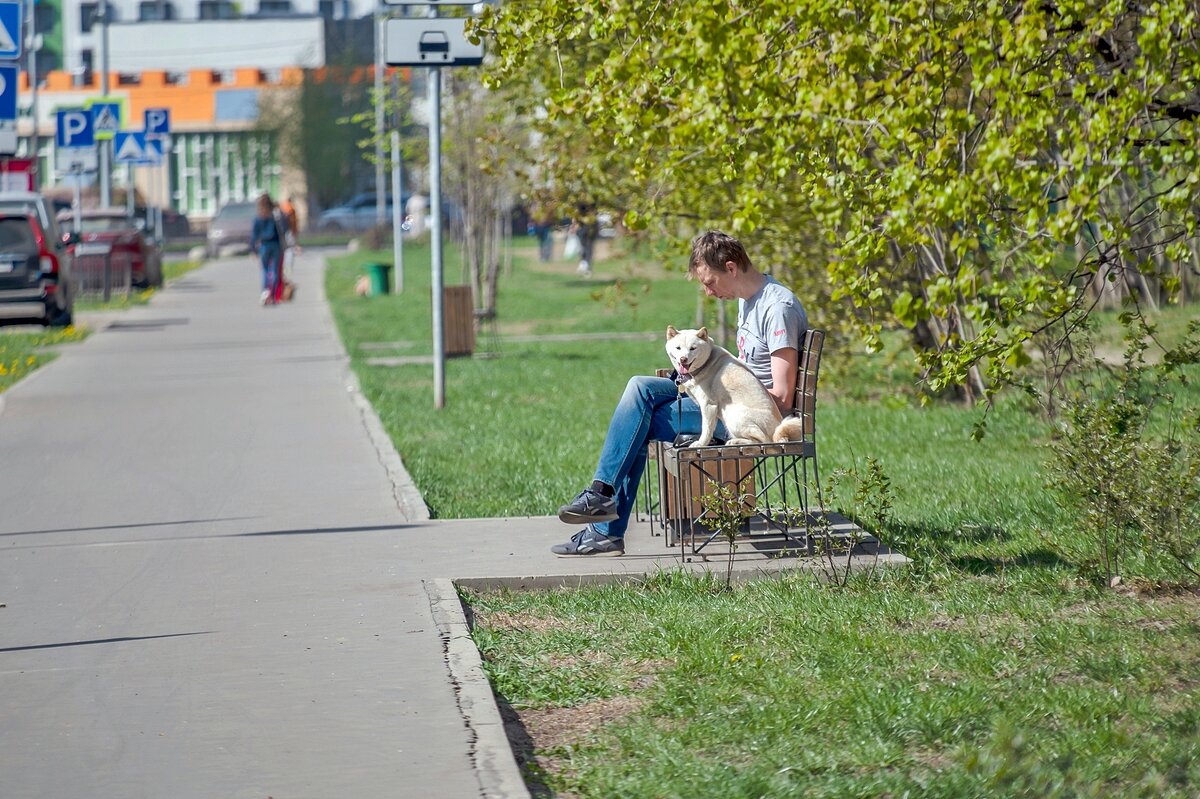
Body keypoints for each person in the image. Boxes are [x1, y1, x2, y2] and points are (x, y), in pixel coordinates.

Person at [551, 230, 808, 556]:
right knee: (639, 387)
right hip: (721, 399)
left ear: (731, 268)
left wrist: (715, 379)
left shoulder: (777, 308)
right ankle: (602, 501)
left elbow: (783, 397)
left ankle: (604, 521)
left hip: (740, 416)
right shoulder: (749, 302)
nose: (707, 291)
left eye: (710, 281)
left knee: (640, 421)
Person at [249, 193, 285, 306]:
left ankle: (265, 292)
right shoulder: (275, 216)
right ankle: (273, 296)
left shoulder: (259, 217)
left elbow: (254, 236)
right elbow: (282, 230)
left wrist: (253, 250)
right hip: (275, 244)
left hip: (264, 245)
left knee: (265, 270)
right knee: (274, 271)